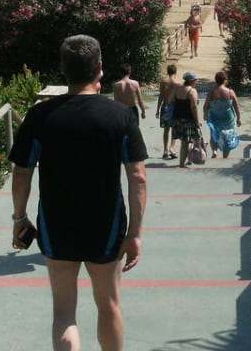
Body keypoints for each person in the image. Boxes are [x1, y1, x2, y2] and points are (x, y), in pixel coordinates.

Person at [9, 35, 148, 351]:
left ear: (62, 69)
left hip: (57, 226)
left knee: (64, 313)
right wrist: (135, 233)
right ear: (100, 69)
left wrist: (20, 217)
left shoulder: (41, 116)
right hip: (107, 226)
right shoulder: (121, 116)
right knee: (109, 304)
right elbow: (138, 177)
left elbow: (21, 172)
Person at [203, 71, 241, 159]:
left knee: (213, 134)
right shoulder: (230, 92)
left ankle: (214, 151)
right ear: (224, 80)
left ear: (216, 81)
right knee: (228, 136)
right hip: (227, 118)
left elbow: (206, 105)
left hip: (214, 116)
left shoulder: (212, 93)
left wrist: (205, 114)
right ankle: (225, 156)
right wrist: (239, 118)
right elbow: (236, 106)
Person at [171, 71, 202, 167]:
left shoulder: (177, 88)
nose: (197, 81)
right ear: (192, 81)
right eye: (196, 80)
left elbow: (169, 100)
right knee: (186, 142)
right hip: (188, 119)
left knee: (187, 141)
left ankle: (189, 160)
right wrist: (197, 121)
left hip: (177, 118)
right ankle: (181, 164)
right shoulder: (192, 91)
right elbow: (194, 107)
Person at [156, 63, 181, 160]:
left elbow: (161, 96)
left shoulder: (163, 82)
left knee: (166, 129)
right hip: (175, 107)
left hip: (165, 106)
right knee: (175, 129)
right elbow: (179, 98)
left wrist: (158, 109)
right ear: (175, 72)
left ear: (167, 72)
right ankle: (172, 148)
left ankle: (165, 150)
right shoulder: (178, 84)